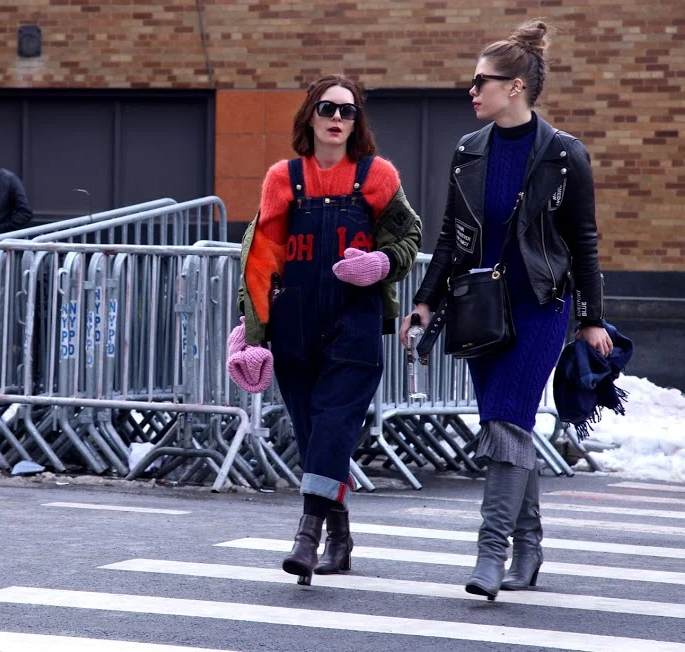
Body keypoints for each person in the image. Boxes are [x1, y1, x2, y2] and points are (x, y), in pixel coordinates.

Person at [398, 19, 613, 601]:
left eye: (481, 81)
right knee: (506, 427)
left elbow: (584, 241)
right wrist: (424, 302)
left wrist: (591, 317)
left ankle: (490, 554)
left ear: (515, 86)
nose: (472, 91)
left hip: (542, 307)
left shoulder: (566, 155)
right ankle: (530, 545)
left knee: (506, 419)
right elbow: (450, 235)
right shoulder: (468, 150)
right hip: (480, 309)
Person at [228, 74, 423, 585]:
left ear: (358, 121)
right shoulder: (282, 178)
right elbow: (263, 254)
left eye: (348, 111)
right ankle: (340, 532)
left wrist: (381, 262)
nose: (337, 119)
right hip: (294, 321)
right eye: (327, 109)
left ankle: (307, 534)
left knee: (334, 423)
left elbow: (409, 235)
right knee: (313, 431)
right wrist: (251, 328)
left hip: (354, 320)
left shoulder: (378, 176)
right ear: (309, 116)